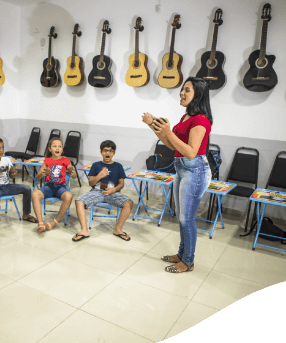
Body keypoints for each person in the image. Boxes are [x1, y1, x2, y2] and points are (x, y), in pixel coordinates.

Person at [142, 76, 212, 274]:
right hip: (181, 167)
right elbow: (171, 144)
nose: (181, 93)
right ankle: (182, 254)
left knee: (186, 219)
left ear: (198, 94)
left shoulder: (201, 120)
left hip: (195, 170)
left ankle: (188, 261)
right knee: (181, 217)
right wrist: (153, 126)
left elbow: (191, 151)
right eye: (182, 89)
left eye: (187, 90)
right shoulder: (186, 117)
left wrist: (168, 131)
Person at [72, 140, 133, 242]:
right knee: (79, 201)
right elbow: (91, 183)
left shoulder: (118, 166)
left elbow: (121, 184)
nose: (108, 153)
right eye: (105, 150)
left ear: (114, 153)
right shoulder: (96, 165)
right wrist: (99, 175)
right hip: (97, 191)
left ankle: (118, 229)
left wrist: (113, 190)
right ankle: (84, 231)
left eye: (110, 151)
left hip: (113, 192)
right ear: (101, 152)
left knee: (129, 203)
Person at [0, 137, 37, 234]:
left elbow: (11, 177)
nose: (1, 150)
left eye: (3, 148)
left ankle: (26, 214)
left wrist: (13, 174)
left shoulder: (6, 160)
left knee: (27, 188)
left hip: (6, 186)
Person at [31, 137, 76, 233]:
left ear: (62, 148)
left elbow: (73, 173)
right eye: (55, 146)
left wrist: (73, 173)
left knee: (69, 196)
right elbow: (37, 176)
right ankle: (40, 223)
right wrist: (42, 173)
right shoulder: (47, 161)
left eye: (60, 146)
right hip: (49, 186)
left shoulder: (66, 160)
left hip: (61, 187)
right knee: (35, 194)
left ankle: (54, 222)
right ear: (49, 149)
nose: (57, 148)